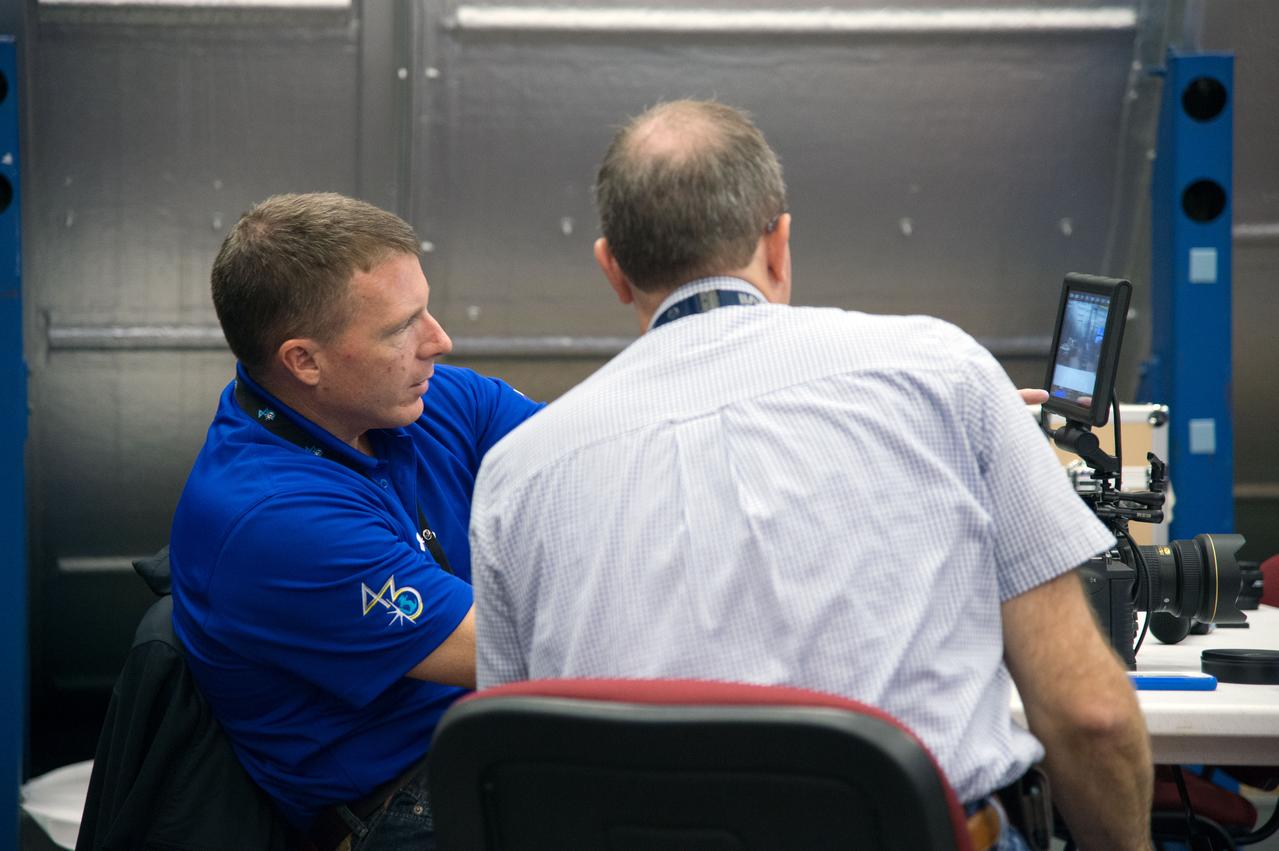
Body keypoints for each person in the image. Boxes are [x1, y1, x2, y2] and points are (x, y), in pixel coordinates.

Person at [469, 101, 1153, 851]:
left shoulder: (516, 471)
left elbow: (509, 764)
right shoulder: (941, 371)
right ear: (778, 243)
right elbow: (1089, 714)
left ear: (611, 267)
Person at [169, 192, 542, 849]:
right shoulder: (273, 519)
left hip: (482, 735)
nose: (439, 340)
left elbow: (596, 477)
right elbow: (516, 650)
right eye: (401, 327)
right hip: (399, 801)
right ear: (304, 361)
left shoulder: (422, 400)